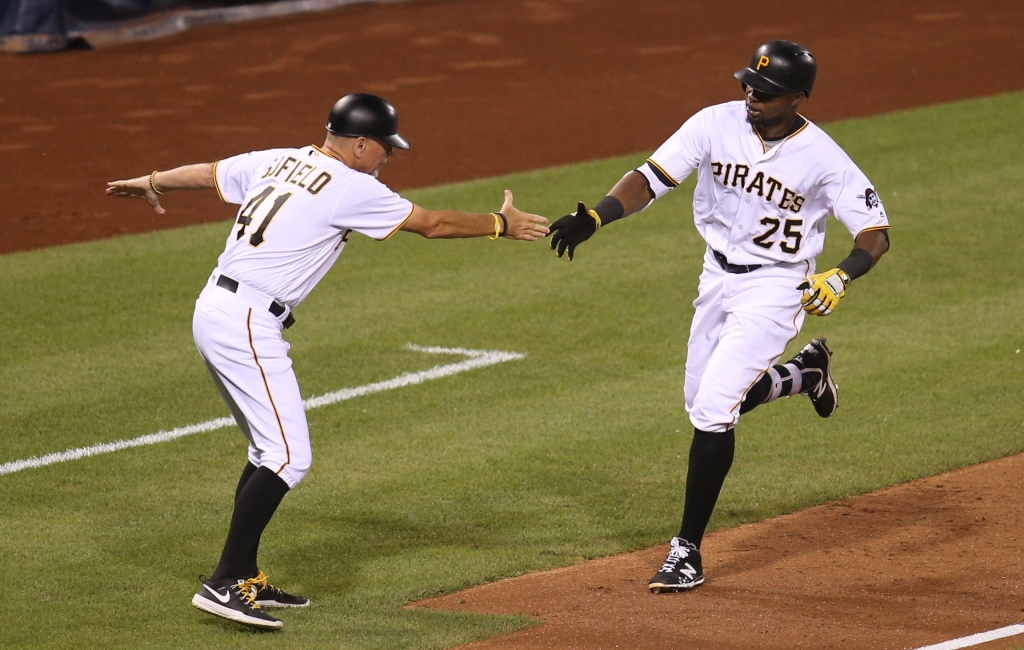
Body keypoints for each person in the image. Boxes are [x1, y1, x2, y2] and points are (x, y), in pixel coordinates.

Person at [107, 93, 549, 629]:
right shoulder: (352, 187)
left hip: (216, 308)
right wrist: (499, 224)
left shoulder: (278, 159)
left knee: (267, 448)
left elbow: (206, 174)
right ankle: (224, 583)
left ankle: (242, 573)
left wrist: (152, 181)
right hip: (246, 320)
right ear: (360, 144)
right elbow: (432, 224)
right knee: (289, 457)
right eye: (386, 148)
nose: (389, 157)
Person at [546, 41, 890, 593]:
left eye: (768, 91)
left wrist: (841, 274)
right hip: (716, 276)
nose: (752, 95)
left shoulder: (824, 159)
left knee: (711, 410)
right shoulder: (714, 123)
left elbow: (875, 234)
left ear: (799, 97)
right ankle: (804, 374)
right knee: (703, 400)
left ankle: (687, 552)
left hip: (779, 285)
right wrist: (597, 215)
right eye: (749, 85)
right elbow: (652, 177)